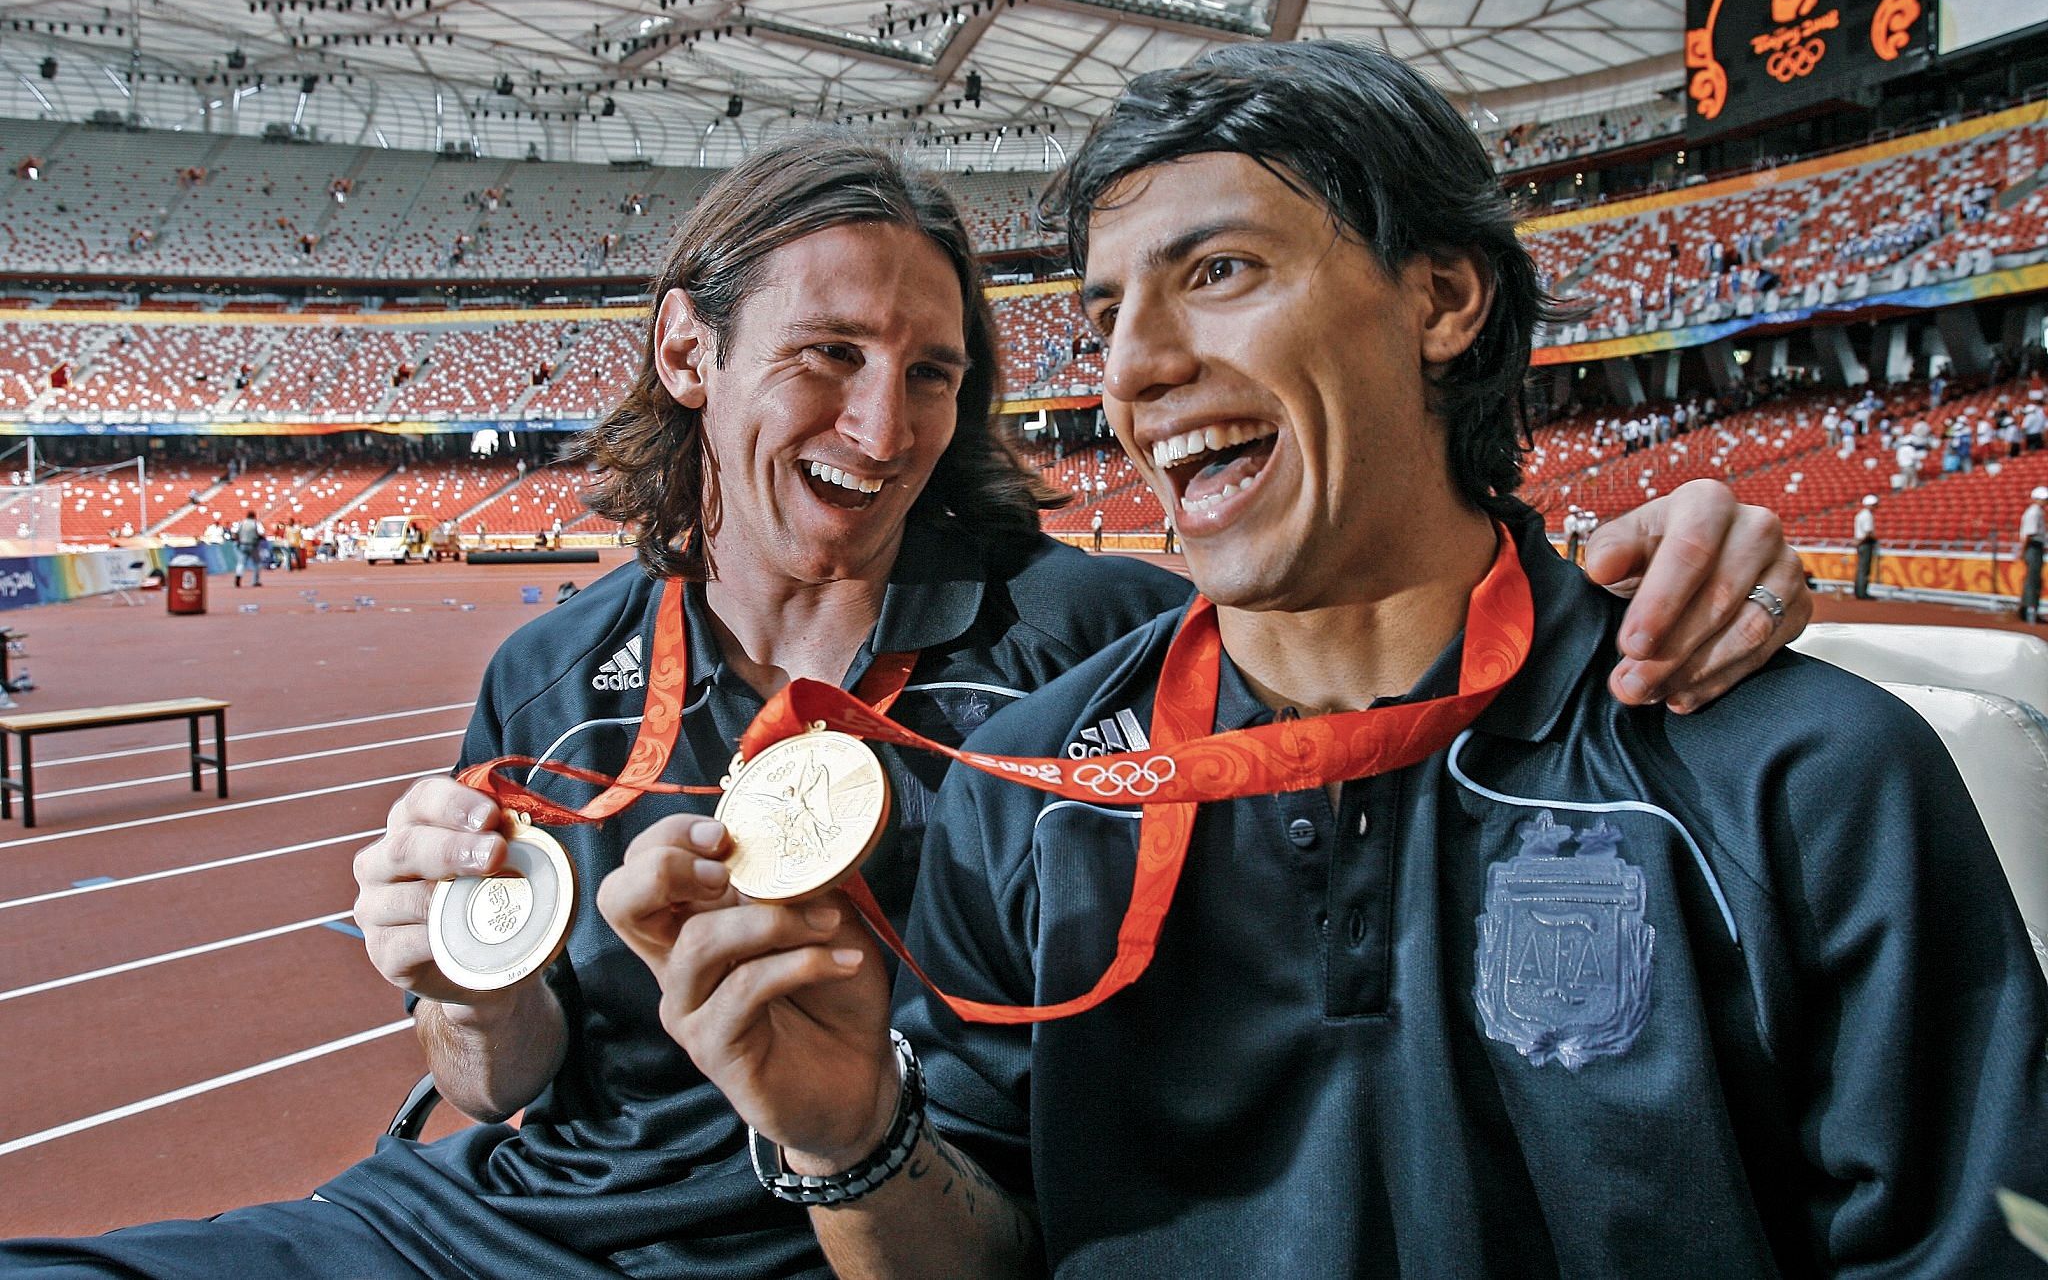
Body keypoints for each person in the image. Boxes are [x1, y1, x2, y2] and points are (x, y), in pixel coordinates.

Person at [1, 133, 1805, 1278]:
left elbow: (1369, 651)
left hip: (859, 1235)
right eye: (830, 359)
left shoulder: (1082, 639)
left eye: (932, 372)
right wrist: (456, 978)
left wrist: (1645, 566)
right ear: (687, 352)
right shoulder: (553, 670)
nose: (884, 428)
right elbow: (508, 1078)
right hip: (508, 1228)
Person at [630, 43, 2046, 1278]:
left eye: (1220, 272)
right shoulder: (1032, 798)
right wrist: (851, 1141)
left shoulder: (1802, 777)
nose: (1135, 366)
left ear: (1442, 299)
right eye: (1110, 311)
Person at [2021, 485, 2046, 623]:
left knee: (2033, 580)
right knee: (2033, 580)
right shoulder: (2034, 513)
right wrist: (2023, 551)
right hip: (2033, 548)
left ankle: (2028, 610)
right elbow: (2029, 535)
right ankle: (2030, 612)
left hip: (2035, 547)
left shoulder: (2037, 512)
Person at [1854, 493, 1879, 599]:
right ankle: (1862, 592)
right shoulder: (1867, 515)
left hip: (1861, 543)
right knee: (1864, 569)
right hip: (1865, 543)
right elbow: (1868, 532)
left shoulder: (1860, 514)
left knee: (1861, 568)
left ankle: (1859, 591)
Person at [231, 510, 263, 588]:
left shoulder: (242, 523)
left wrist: (238, 542)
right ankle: (255, 581)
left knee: (241, 563)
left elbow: (236, 534)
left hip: (243, 545)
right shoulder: (255, 524)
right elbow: (260, 534)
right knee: (257, 563)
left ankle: (238, 575)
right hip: (253, 545)